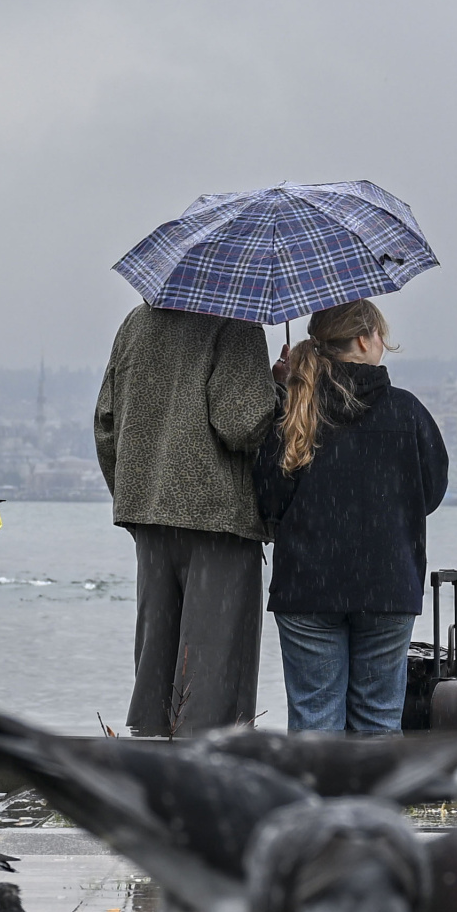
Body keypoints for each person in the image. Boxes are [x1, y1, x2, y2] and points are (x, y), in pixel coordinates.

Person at [254, 299, 449, 733]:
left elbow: (268, 501)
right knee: (379, 721)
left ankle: (316, 782)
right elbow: (432, 492)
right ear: (364, 340)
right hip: (388, 584)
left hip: (307, 587)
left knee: (314, 721)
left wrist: (284, 392)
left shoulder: (296, 411)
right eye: (379, 334)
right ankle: (373, 784)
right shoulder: (407, 411)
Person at [94, 303, 281, 736]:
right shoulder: (235, 320)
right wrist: (277, 390)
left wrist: (137, 496)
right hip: (219, 521)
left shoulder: (136, 323)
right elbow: (242, 424)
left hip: (150, 518)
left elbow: (105, 423)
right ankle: (204, 771)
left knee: (155, 674)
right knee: (214, 679)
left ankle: (148, 765)